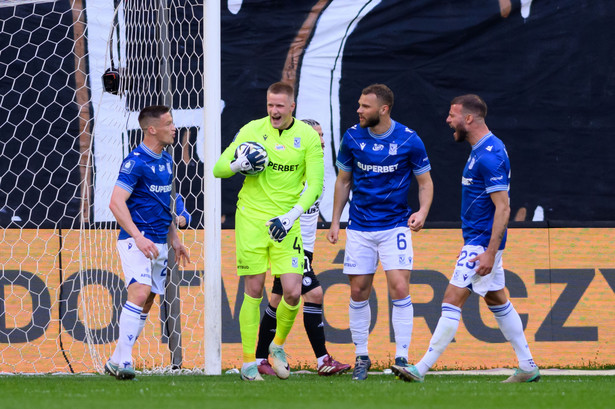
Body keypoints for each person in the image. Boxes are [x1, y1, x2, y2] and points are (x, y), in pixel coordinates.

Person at [392, 94, 540, 383]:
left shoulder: (490, 155)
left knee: (451, 299)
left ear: (468, 118)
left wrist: (489, 252)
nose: (448, 120)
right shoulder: (481, 149)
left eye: (452, 115)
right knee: (497, 299)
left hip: (481, 244)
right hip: (479, 240)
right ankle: (527, 366)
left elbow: (504, 207)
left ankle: (419, 369)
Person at [213, 82, 324, 381]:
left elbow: (314, 186)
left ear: (292, 107)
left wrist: (290, 217)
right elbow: (219, 168)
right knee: (253, 289)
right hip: (251, 220)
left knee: (292, 291)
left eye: (279, 106)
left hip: (287, 223)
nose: (274, 111)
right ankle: (249, 363)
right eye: (270, 105)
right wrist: (239, 163)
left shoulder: (308, 138)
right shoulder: (251, 130)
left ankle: (276, 346)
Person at [327, 84, 434, 381]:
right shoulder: (351, 137)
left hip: (395, 225)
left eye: (364, 106)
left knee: (399, 287)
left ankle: (401, 357)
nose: (358, 110)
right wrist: (336, 221)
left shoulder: (409, 140)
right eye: (359, 105)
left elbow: (425, 183)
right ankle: (362, 356)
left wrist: (422, 212)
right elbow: (343, 181)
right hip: (360, 226)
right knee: (358, 290)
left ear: (383, 109)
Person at [255, 119, 350, 377]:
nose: (320, 140)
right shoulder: (292, 168)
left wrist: (331, 224)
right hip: (289, 245)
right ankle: (321, 360)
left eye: (322, 135)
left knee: (276, 301)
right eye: (315, 135)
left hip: (305, 246)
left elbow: (310, 210)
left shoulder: (316, 169)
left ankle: (259, 358)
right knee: (314, 294)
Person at [104, 105, 190, 380]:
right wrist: (138, 237)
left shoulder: (165, 161)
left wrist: (175, 239)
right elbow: (116, 203)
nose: (174, 128)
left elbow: (163, 205)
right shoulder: (135, 161)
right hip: (135, 239)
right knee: (139, 293)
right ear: (152, 129)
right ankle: (126, 361)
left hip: (159, 243)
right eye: (169, 123)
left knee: (148, 299)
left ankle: (116, 359)